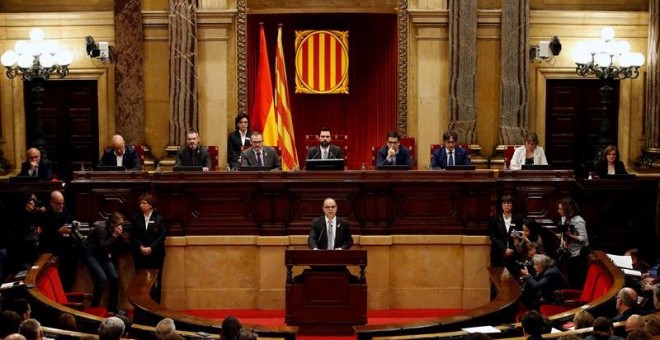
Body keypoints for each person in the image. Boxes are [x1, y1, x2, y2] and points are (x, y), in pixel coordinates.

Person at [82, 212, 128, 314]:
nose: (121, 227)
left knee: (114, 277)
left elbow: (118, 247)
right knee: (101, 278)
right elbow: (104, 247)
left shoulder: (116, 230)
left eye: (122, 225)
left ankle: (113, 306)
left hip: (103, 255)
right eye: (119, 225)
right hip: (91, 254)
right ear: (112, 224)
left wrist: (123, 239)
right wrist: (115, 236)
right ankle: (95, 306)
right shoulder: (101, 229)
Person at [39, 190, 81, 291]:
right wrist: (58, 232)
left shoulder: (64, 210)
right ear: (51, 202)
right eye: (58, 204)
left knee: (70, 277)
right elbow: (43, 238)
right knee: (60, 280)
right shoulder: (45, 216)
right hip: (55, 253)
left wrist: (75, 223)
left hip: (68, 251)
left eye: (62, 203)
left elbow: (71, 219)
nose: (61, 206)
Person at [131, 193, 167, 302]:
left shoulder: (159, 217)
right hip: (140, 254)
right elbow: (133, 236)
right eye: (140, 203)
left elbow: (162, 235)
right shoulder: (136, 218)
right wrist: (141, 246)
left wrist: (151, 248)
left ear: (151, 205)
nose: (141, 205)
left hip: (156, 254)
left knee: (156, 281)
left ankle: (155, 306)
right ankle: (141, 305)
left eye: (144, 203)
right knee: (140, 281)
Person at [557, 197, 590, 288]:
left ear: (567, 209)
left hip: (577, 256)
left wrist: (570, 236)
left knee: (577, 280)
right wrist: (562, 242)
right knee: (570, 278)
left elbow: (584, 238)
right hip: (569, 254)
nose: (558, 211)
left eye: (560, 209)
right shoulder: (565, 219)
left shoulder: (578, 221)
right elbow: (563, 234)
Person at [488, 194, 524, 274]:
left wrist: (511, 250)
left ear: (512, 205)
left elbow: (521, 234)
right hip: (499, 253)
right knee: (497, 278)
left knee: (513, 278)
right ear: (501, 205)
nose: (506, 205)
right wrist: (504, 249)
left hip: (513, 253)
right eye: (504, 203)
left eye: (509, 203)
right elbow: (493, 236)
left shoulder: (519, 218)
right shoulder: (495, 218)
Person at [10, 192, 46, 272]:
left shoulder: (34, 213)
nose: (33, 202)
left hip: (35, 252)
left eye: (33, 200)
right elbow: (26, 235)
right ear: (24, 204)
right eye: (30, 201)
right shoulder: (19, 217)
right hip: (24, 254)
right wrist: (35, 230)